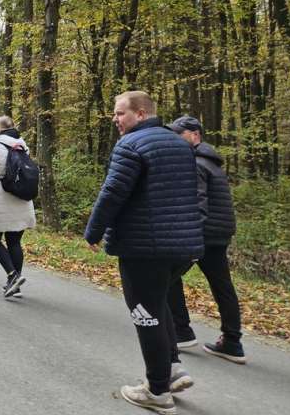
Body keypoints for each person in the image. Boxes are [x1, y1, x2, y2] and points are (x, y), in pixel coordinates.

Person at [84, 91, 203, 414]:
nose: (115, 120)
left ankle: (157, 390)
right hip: (182, 246)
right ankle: (173, 369)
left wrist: (93, 230)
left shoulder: (131, 145)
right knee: (159, 302)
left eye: (119, 113)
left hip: (144, 246)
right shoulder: (180, 144)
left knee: (144, 313)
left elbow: (113, 192)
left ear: (140, 114)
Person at [166, 115, 245, 364]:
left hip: (202, 234)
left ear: (195, 135)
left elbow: (198, 203)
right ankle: (232, 342)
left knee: (166, 277)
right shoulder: (212, 162)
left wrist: (189, 238)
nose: (175, 139)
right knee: (222, 286)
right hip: (219, 234)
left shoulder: (196, 162)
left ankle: (182, 331)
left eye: (179, 134)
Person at [0, 116, 36, 299]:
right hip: (23, 200)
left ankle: (13, 275)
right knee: (14, 241)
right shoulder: (22, 145)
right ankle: (15, 286)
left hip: (0, 200)